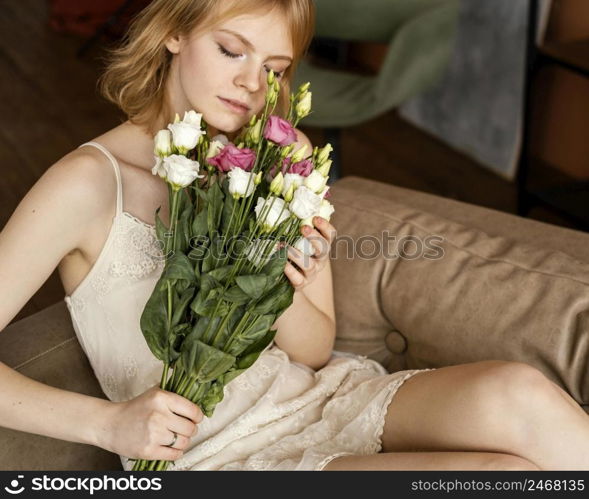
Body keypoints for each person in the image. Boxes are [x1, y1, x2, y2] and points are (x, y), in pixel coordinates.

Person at [1, 0, 588, 472]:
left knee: (518, 392)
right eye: (231, 49)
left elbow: (312, 349)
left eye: (275, 69)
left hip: (319, 397)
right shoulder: (85, 185)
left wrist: (282, 275)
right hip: (221, 456)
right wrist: (107, 425)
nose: (251, 84)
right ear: (174, 32)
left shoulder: (283, 159)